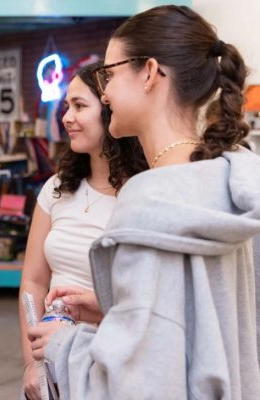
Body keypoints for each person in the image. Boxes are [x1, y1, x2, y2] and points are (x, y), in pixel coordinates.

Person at [29, 5, 260, 399]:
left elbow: (131, 384)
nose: (105, 92)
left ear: (150, 73)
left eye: (109, 74)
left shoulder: (146, 205)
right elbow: (199, 333)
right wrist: (113, 310)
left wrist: (63, 344)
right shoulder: (232, 184)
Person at [19, 62, 147, 400]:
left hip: (108, 361)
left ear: (109, 111)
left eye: (79, 106)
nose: (66, 118)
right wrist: (31, 362)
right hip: (50, 361)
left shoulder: (141, 193)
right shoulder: (57, 187)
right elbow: (33, 280)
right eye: (66, 107)